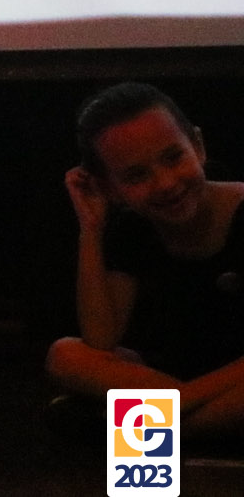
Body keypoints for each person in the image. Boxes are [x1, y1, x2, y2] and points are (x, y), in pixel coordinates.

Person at [45, 81, 244, 439]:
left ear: (198, 146)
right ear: (110, 187)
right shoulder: (132, 229)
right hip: (176, 381)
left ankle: (144, 429)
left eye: (173, 158)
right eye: (137, 176)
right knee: (66, 355)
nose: (165, 183)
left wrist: (181, 401)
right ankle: (170, 423)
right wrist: (91, 229)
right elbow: (101, 340)